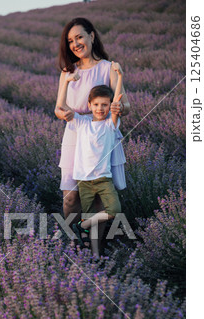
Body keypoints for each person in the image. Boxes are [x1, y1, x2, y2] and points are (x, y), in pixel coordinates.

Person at [54, 17, 130, 227]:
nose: (75, 44)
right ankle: (73, 239)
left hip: (101, 134)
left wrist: (118, 108)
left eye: (79, 37)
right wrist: (64, 115)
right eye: (70, 41)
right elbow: (58, 108)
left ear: (92, 36)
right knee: (70, 197)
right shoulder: (68, 72)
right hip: (75, 132)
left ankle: (95, 249)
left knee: (99, 198)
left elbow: (127, 105)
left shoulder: (108, 68)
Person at [59, 62, 124, 259]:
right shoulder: (82, 122)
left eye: (104, 105)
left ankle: (81, 227)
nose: (100, 108)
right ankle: (94, 256)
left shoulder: (110, 125)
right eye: (96, 104)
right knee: (91, 218)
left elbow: (117, 103)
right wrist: (66, 82)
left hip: (104, 179)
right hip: (84, 180)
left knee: (114, 209)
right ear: (89, 106)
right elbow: (61, 106)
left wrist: (120, 77)